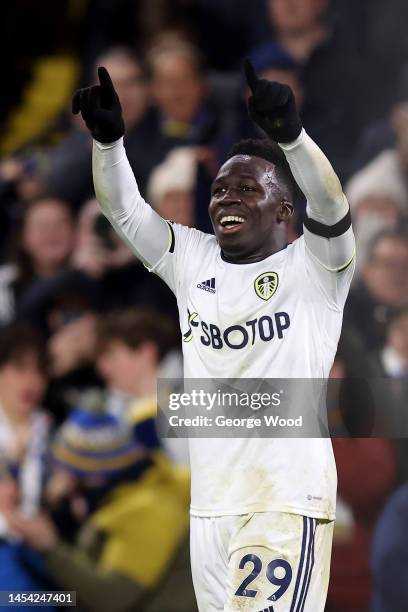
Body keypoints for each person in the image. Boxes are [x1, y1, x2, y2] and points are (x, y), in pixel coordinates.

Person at [72, 58, 355, 610]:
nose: (226, 197)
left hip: (282, 501)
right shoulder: (193, 261)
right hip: (210, 509)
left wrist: (293, 139)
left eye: (247, 188)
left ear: (283, 208)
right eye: (220, 188)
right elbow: (123, 211)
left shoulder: (316, 266)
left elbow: (332, 204)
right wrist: (108, 144)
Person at [5, 405, 196, 612]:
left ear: (92, 477)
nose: (58, 487)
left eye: (66, 475)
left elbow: (111, 597)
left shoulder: (149, 510)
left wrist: (49, 547)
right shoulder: (121, 502)